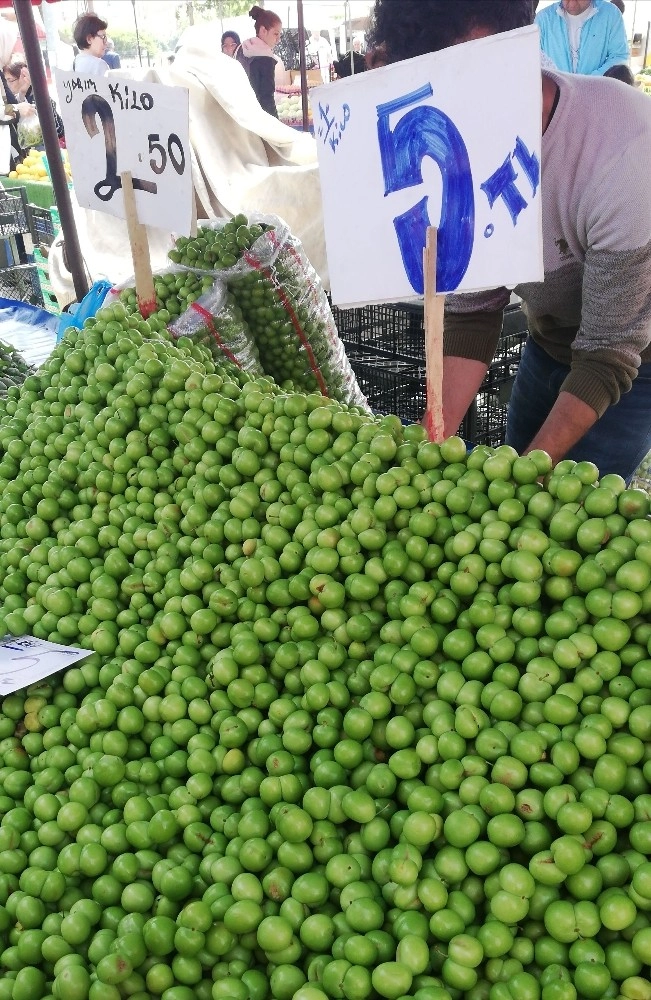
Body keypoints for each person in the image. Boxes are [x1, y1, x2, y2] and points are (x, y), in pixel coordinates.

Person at [369, 0, 651, 482]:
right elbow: (474, 311)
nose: (453, 104)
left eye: (470, 70)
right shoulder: (462, 151)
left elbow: (608, 351)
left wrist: (525, 476)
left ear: (523, 48)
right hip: (546, 344)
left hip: (632, 360)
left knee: (569, 516)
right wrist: (432, 434)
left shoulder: (623, 149)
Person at [535, 0, 629, 76]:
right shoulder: (543, 19)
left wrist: (590, 82)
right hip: (558, 94)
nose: (572, 3)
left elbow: (619, 56)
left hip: (598, 91)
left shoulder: (611, 14)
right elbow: (534, 60)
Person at [236, 7, 284, 118]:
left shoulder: (241, 50)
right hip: (258, 119)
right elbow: (266, 98)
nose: (278, 39)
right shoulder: (265, 59)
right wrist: (275, 125)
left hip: (240, 115)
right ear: (263, 30)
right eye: (276, 34)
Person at [4, 56, 65, 141]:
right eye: (5, 80)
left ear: (24, 78)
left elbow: (56, 130)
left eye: (10, 80)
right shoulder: (19, 97)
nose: (7, 85)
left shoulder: (39, 98)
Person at [72, 13, 109, 78]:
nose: (106, 42)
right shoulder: (99, 65)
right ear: (89, 39)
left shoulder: (73, 64)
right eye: (103, 37)